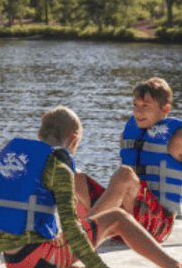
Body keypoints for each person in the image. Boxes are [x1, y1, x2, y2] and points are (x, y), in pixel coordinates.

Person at [0, 105, 182, 268]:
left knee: (52, 233)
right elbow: (73, 230)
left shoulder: (11, 157)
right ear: (73, 139)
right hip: (38, 263)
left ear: (40, 133)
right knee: (118, 217)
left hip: (14, 264)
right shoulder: (59, 167)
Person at [77, 78, 182, 243]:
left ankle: (79, 236)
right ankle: (42, 233)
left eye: (145, 106)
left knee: (125, 174)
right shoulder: (132, 130)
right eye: (136, 105)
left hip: (157, 225)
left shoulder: (177, 136)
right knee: (73, 177)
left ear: (165, 110)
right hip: (124, 223)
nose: (138, 112)